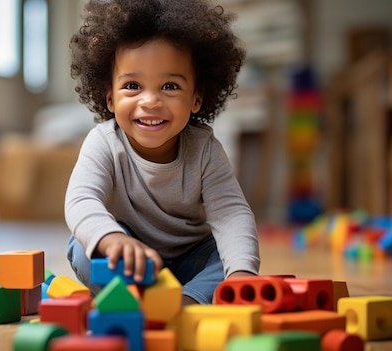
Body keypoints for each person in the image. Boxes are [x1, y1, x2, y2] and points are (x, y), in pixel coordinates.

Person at [65, 0, 260, 305]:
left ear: (196, 98)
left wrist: (242, 275)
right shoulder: (103, 142)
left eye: (169, 85)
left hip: (191, 259)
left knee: (226, 260)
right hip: (132, 260)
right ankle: (134, 297)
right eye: (132, 85)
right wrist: (111, 238)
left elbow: (231, 214)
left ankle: (186, 301)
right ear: (110, 99)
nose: (151, 101)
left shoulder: (206, 149)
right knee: (82, 247)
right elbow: (81, 200)